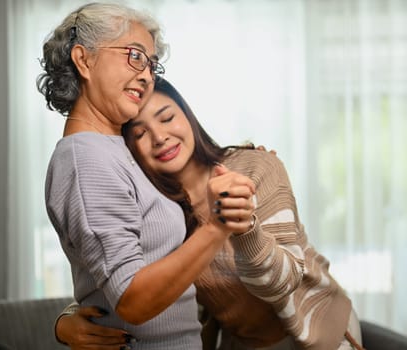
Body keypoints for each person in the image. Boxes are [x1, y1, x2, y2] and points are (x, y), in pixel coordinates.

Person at [55, 77, 364, 350]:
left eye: (167, 118)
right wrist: (65, 321)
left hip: (321, 330)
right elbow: (130, 281)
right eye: (140, 134)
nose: (160, 137)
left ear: (188, 117)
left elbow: (283, 282)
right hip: (244, 342)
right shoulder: (160, 210)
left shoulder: (254, 168)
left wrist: (242, 226)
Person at [37, 3, 256, 350]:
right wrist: (216, 227)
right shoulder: (86, 157)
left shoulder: (118, 147)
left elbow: (105, 269)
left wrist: (65, 319)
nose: (147, 74)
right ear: (84, 60)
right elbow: (132, 299)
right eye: (135, 55)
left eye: (152, 64)